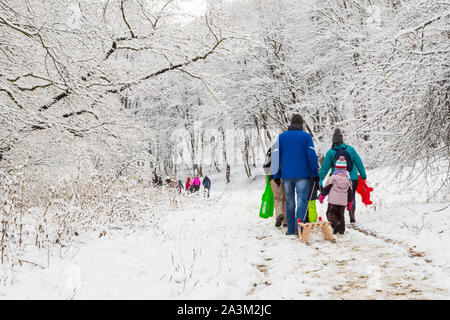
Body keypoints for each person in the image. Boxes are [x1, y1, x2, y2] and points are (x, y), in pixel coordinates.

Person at [271, 114, 320, 236]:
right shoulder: (306, 137)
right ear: (301, 124)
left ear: (291, 123)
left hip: (287, 176)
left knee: (290, 201)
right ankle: (301, 228)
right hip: (303, 175)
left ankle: (291, 229)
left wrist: (276, 174)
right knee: (302, 200)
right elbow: (312, 156)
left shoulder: (282, 137)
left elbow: (276, 157)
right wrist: (315, 173)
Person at [319, 128, 367, 223]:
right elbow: (358, 162)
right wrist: (363, 174)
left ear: (333, 141)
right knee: (351, 195)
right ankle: (352, 212)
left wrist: (320, 179)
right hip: (352, 177)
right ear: (342, 140)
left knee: (336, 195)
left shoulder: (330, 152)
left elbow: (325, 168)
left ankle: (336, 216)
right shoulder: (350, 149)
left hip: (336, 178)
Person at [318, 156, 353, 234]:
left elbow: (326, 188)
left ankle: (336, 223)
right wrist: (350, 203)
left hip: (333, 201)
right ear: (345, 169)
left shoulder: (332, 178)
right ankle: (341, 230)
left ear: (336, 168)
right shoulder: (348, 180)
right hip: (343, 202)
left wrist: (322, 196)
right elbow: (350, 193)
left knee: (330, 213)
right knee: (341, 215)